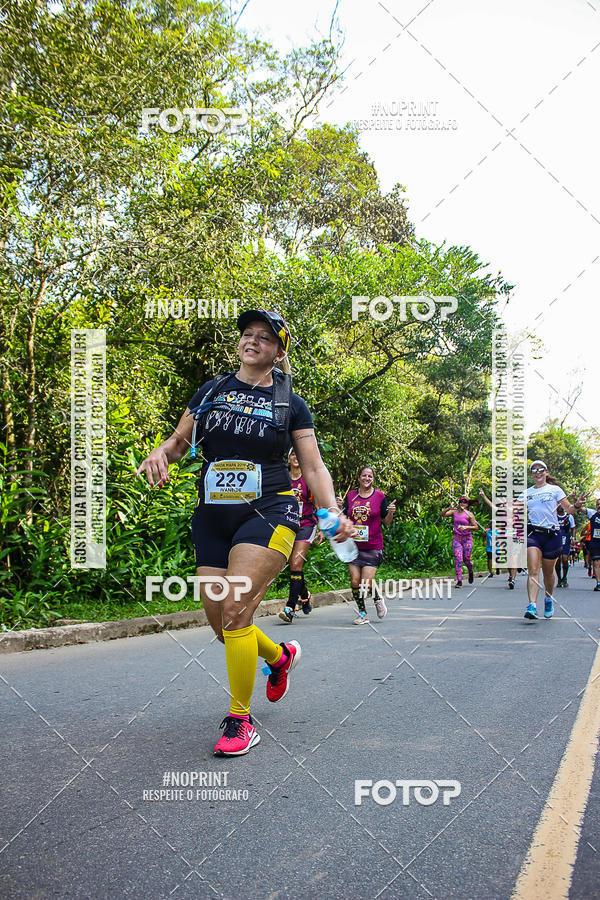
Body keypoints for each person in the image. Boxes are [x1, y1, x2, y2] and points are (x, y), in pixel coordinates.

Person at [136, 309, 354, 757]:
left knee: (236, 607)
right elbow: (180, 443)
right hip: (214, 516)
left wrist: (331, 512)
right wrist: (161, 452)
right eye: (247, 334)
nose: (252, 341)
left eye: (264, 337)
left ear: (278, 351)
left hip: (270, 511)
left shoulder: (289, 402)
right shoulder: (212, 390)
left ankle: (240, 721)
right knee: (221, 623)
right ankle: (279, 657)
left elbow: (312, 465)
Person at [521, 460, 585, 620]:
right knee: (533, 569)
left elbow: (569, 509)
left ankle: (548, 599)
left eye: (541, 469)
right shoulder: (525, 493)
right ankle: (532, 605)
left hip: (552, 535)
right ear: (531, 475)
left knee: (548, 573)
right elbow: (514, 511)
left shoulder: (555, 490)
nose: (538, 472)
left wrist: (577, 505)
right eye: (534, 470)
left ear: (546, 472)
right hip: (534, 534)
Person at [336, 467, 396, 624]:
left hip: (373, 546)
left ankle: (377, 598)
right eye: (364, 475)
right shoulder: (351, 496)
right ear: (359, 478)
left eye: (370, 476)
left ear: (373, 479)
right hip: (353, 546)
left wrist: (390, 512)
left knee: (366, 582)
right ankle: (363, 613)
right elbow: (344, 518)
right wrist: (340, 506)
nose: (367, 478)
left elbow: (386, 522)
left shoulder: (380, 496)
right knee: (355, 581)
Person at [279, 449, 324, 623]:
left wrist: (322, 528)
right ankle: (305, 595)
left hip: (306, 524)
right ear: (289, 458)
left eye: (299, 455)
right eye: (293, 454)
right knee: (293, 565)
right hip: (287, 525)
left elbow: (318, 504)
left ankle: (290, 607)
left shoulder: (308, 480)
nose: (296, 457)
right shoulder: (283, 478)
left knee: (296, 563)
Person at [478, 488, 520, 588]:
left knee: (513, 559)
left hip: (515, 538)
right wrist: (484, 496)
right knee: (508, 559)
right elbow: (492, 506)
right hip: (506, 538)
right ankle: (511, 575)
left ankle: (513, 579)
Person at [441, 497, 479, 587]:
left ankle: (470, 571)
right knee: (458, 559)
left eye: (465, 502)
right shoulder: (454, 512)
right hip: (457, 538)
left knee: (466, 559)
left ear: (467, 505)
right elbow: (442, 514)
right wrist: (448, 508)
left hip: (467, 539)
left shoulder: (469, 514)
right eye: (461, 502)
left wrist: (466, 527)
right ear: (458, 503)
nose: (462, 504)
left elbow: (476, 527)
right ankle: (459, 580)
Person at [555, 505, 576, 588]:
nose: (560, 507)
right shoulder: (554, 516)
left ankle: (564, 577)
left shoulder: (569, 516)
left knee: (565, 559)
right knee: (557, 560)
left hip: (566, 539)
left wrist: (573, 538)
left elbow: (573, 528)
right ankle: (559, 579)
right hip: (556, 539)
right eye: (558, 505)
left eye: (562, 505)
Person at [583, 498, 600, 591]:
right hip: (595, 543)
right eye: (598, 504)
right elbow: (581, 508)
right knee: (596, 563)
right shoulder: (592, 513)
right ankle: (599, 583)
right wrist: (577, 500)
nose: (599, 506)